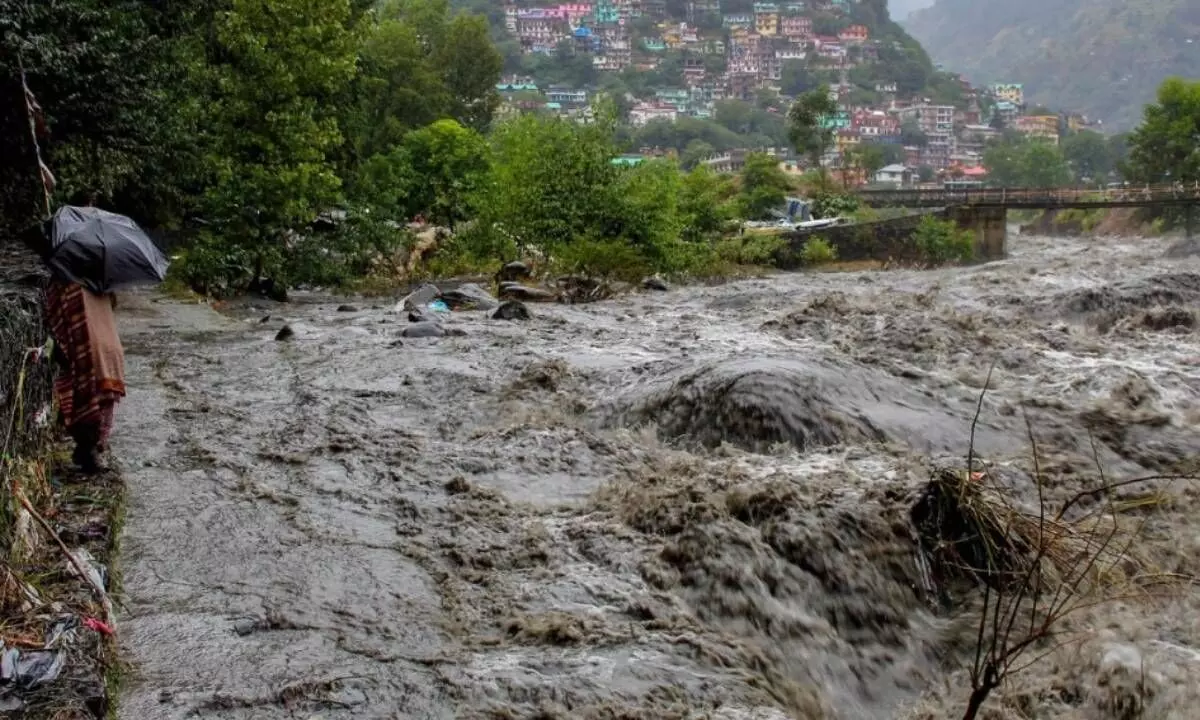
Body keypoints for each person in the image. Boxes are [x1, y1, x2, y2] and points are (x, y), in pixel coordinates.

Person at [44, 277, 125, 473]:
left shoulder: (67, 285)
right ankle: (89, 449)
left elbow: (54, 317)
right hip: (110, 351)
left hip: (88, 352)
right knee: (101, 405)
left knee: (83, 403)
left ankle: (88, 450)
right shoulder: (103, 283)